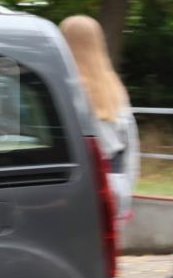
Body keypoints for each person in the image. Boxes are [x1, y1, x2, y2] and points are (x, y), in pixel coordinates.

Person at [59, 15, 140, 231]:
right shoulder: (113, 86)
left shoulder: (65, 87)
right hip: (114, 184)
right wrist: (126, 190)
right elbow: (130, 146)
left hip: (76, 185)